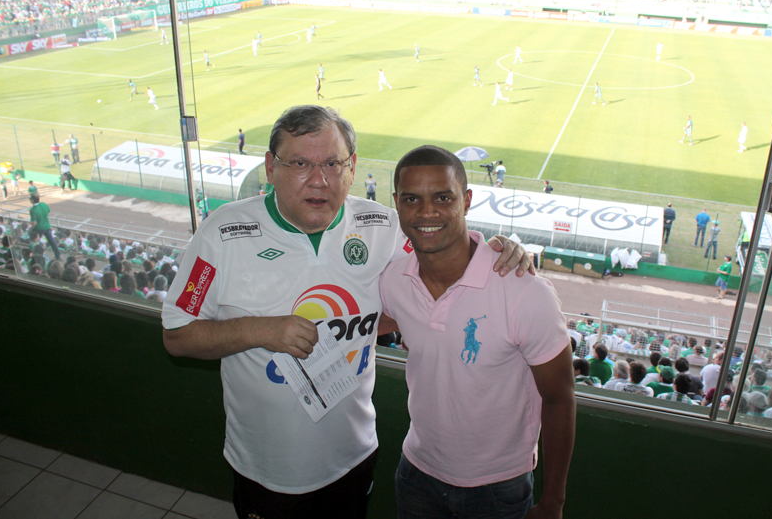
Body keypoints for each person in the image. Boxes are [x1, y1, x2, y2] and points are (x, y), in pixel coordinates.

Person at [161, 105, 532, 519]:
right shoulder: (222, 234)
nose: (318, 180)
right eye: (300, 163)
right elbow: (177, 335)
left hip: (354, 457)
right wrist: (259, 330)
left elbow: (440, 267)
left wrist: (494, 248)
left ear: (352, 167)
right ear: (270, 167)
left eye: (333, 164)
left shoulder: (382, 226)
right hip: (267, 470)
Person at [379, 144, 575, 519]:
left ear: (466, 200)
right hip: (417, 473)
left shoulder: (524, 291)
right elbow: (376, 323)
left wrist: (553, 502)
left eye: (442, 197)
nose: (426, 212)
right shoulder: (394, 280)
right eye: (411, 199)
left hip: (499, 489)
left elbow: (559, 399)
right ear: (397, 204)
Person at [29, 194, 60, 260]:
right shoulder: (43, 204)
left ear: (32, 200)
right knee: (52, 241)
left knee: (35, 241)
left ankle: (35, 254)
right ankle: (58, 255)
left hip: (39, 228)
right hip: (47, 226)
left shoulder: (32, 210)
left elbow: (34, 222)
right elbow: (48, 211)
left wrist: (32, 228)